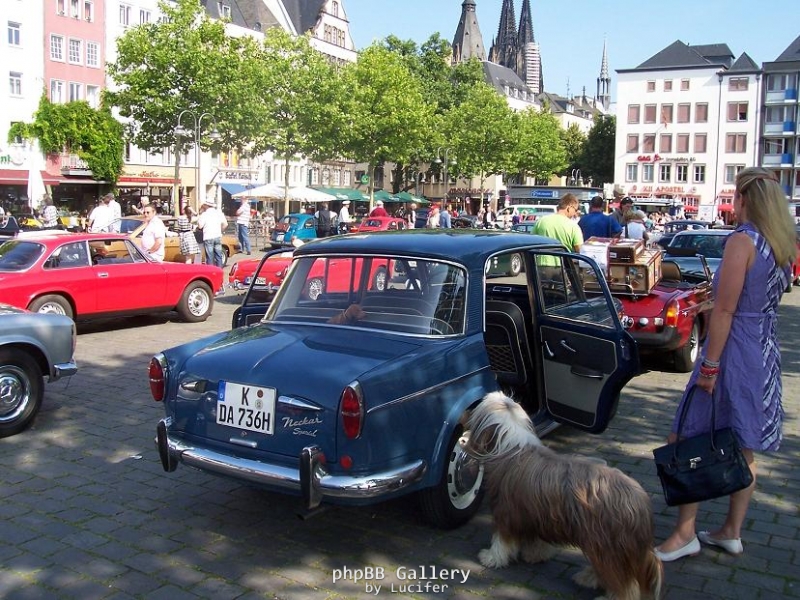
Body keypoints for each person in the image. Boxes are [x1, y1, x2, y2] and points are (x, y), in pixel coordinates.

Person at [654, 167, 796, 563]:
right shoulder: (779, 243)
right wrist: (713, 299)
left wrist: (710, 366)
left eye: (735, 194)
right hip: (762, 349)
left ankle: (684, 534)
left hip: (731, 349)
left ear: (746, 199)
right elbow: (752, 301)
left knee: (688, 436)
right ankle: (731, 531)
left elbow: (729, 310)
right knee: (743, 442)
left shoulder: (742, 241)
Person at [197, 199, 228, 274]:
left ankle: (211, 273)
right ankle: (219, 272)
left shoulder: (204, 214)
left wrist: (199, 218)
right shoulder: (219, 213)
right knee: (218, 256)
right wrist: (220, 230)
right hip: (217, 236)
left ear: (206, 205)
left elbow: (200, 226)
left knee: (210, 257)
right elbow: (225, 224)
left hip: (208, 236)